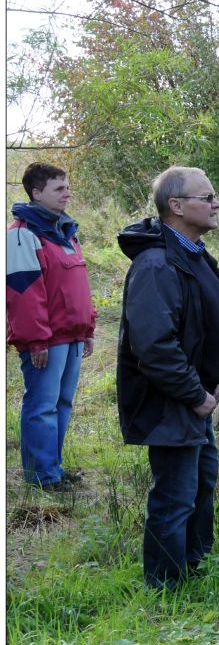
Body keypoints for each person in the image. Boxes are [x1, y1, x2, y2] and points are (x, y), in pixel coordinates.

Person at [116, 166, 219, 590]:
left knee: (201, 483)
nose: (216, 204)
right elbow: (155, 347)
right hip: (172, 401)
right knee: (175, 495)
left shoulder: (192, 254)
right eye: (207, 197)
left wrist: (210, 383)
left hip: (195, 396)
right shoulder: (157, 265)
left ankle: (195, 569)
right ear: (177, 206)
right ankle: (165, 589)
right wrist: (194, 394)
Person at [7, 162, 96, 492]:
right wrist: (36, 340)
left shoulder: (65, 231)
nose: (67, 193)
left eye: (67, 187)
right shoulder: (21, 235)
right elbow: (23, 294)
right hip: (47, 340)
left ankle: (53, 470)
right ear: (36, 193)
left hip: (72, 336)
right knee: (42, 406)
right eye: (59, 188)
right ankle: (41, 477)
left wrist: (87, 329)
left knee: (62, 404)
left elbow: (78, 286)